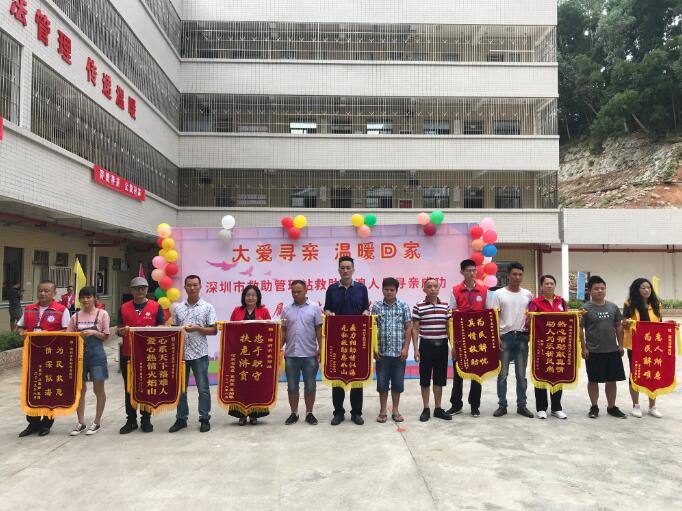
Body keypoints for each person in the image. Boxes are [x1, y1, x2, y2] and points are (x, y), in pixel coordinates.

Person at [16, 280, 70, 437]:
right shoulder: (29, 309)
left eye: (47, 291)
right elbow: (20, 326)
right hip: (32, 355)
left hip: (52, 357)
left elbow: (68, 331)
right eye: (40, 290)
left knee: (49, 389)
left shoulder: (62, 310)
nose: (43, 293)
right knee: (33, 388)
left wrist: (49, 334)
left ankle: (46, 423)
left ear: (54, 293)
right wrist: (21, 332)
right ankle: (33, 423)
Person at [324, 256, 370, 426]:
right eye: (342, 268)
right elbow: (327, 308)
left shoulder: (361, 288)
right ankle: (338, 412)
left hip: (356, 339)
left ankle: (356, 413)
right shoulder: (331, 289)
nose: (345, 270)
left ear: (353, 270)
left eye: (348, 268)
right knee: (338, 377)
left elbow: (366, 308)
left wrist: (365, 313)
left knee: (357, 377)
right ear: (338, 270)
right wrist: (328, 313)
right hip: (337, 339)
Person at [115, 277, 165, 434]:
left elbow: (162, 327)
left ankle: (146, 419)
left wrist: (154, 330)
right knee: (129, 387)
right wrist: (121, 331)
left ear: (147, 289)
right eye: (136, 288)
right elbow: (118, 329)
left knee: (146, 386)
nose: (140, 290)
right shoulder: (124, 307)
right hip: (128, 353)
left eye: (143, 287)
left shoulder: (156, 307)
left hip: (148, 354)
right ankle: (131, 420)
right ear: (131, 290)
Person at [169, 275, 217, 433]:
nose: (192, 288)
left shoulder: (207, 307)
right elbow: (174, 329)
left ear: (200, 286)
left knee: (203, 389)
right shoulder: (178, 308)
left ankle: (204, 418)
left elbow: (214, 330)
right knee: (180, 389)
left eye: (195, 285)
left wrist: (197, 328)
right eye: (189, 285)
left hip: (200, 354)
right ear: (185, 287)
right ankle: (181, 418)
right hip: (181, 354)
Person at [491, 262, 534, 418]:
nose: (517, 277)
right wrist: (496, 337)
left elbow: (531, 317)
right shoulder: (499, 294)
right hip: (505, 337)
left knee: (521, 376)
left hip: (522, 337)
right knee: (502, 375)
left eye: (520, 274)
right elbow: (494, 317)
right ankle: (502, 405)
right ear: (508, 275)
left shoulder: (528, 295)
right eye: (514, 274)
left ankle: (522, 406)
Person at [580, 276, 626, 419]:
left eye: (602, 288)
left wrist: (621, 345)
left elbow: (618, 326)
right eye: (596, 289)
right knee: (593, 380)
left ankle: (611, 407)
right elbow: (579, 329)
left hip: (612, 350)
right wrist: (583, 347)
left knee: (612, 380)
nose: (600, 291)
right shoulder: (584, 309)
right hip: (593, 351)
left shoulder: (613, 307)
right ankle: (594, 407)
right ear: (589, 291)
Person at [447, 259, 488, 417]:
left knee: (477, 372)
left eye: (473, 270)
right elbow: (451, 316)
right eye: (468, 270)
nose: (472, 273)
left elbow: (488, 313)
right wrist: (453, 343)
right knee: (458, 373)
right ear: (462, 272)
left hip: (478, 337)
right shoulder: (455, 290)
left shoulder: (483, 290)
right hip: (461, 336)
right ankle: (456, 404)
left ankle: (475, 405)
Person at [67, 286, 110, 435]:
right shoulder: (75, 317)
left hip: (97, 356)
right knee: (80, 389)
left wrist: (93, 332)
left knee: (98, 389)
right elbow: (69, 337)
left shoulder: (102, 314)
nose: (85, 300)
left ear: (94, 298)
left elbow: (105, 336)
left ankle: (97, 422)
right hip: (79, 357)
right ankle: (81, 422)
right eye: (83, 297)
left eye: (88, 297)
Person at [281, 280, 323, 425]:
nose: (295, 294)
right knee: (292, 386)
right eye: (293, 292)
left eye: (298, 291)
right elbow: (283, 331)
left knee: (310, 386)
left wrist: (321, 348)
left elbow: (318, 329)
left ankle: (309, 413)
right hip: (291, 355)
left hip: (309, 354)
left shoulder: (314, 308)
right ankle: (294, 413)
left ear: (306, 291)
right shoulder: (286, 309)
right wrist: (278, 347)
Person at [527, 275, 568, 420]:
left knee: (557, 373)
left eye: (552, 283)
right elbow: (529, 322)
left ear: (555, 286)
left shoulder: (561, 302)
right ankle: (541, 408)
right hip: (541, 344)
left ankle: (556, 407)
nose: (549, 286)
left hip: (558, 344)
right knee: (541, 374)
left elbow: (567, 320)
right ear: (541, 286)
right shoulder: (535, 303)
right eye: (546, 284)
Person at [229, 284, 271, 425]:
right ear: (244, 297)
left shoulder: (264, 311)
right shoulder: (237, 311)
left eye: (253, 295)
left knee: (256, 383)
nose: (251, 298)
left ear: (258, 297)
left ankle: (254, 414)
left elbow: (270, 330)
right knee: (241, 384)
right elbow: (230, 329)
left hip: (257, 354)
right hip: (241, 354)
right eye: (248, 295)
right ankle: (241, 414)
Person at [372, 277, 412, 423]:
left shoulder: (403, 306)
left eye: (392, 290)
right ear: (382, 289)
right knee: (382, 384)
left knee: (397, 384)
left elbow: (408, 328)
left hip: (398, 354)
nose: (389, 292)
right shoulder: (376, 307)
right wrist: (374, 349)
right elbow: (372, 329)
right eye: (386, 289)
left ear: (396, 291)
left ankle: (395, 410)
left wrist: (406, 348)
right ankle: (383, 411)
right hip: (381, 353)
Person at [412, 277, 452, 422]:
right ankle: (426, 408)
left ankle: (438, 408)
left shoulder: (446, 306)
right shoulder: (418, 306)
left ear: (439, 288)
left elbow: (449, 328)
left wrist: (453, 346)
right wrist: (415, 349)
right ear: (424, 289)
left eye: (435, 286)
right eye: (429, 286)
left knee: (439, 378)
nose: (433, 289)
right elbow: (415, 329)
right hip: (426, 346)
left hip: (442, 346)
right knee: (425, 378)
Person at [623, 278, 663, 418]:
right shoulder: (629, 304)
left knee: (653, 373)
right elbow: (624, 323)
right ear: (637, 290)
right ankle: (636, 405)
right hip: (636, 345)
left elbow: (661, 324)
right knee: (636, 373)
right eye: (643, 288)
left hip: (653, 345)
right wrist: (626, 323)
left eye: (648, 288)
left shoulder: (656, 304)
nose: (646, 290)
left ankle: (652, 406)